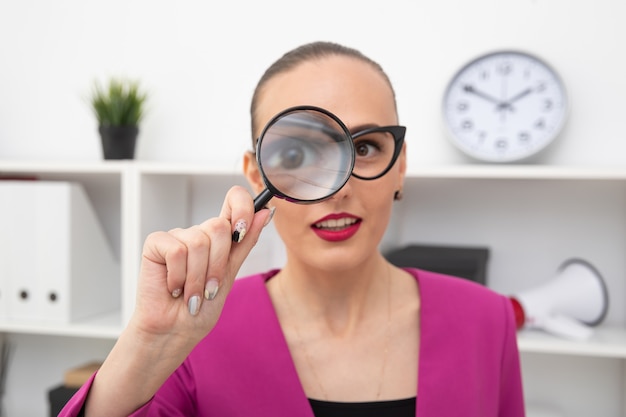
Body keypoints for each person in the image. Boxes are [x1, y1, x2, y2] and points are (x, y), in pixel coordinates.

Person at [60, 41, 525, 417]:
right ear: (257, 174)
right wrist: (147, 344)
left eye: (364, 148)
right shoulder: (194, 331)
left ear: (399, 166)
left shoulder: (488, 320)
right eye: (298, 156)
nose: (335, 190)